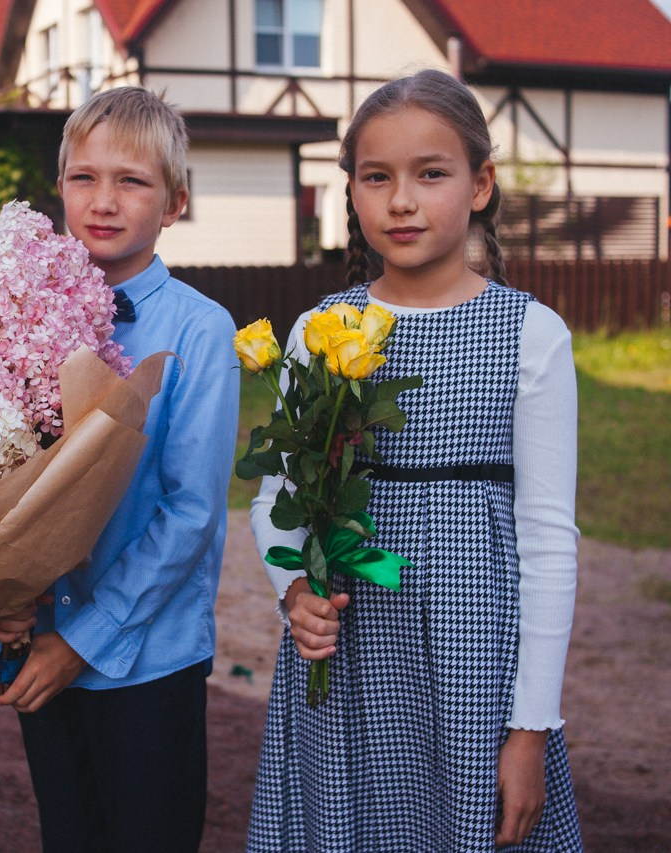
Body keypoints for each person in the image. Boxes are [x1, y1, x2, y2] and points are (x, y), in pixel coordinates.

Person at [248, 68, 582, 851]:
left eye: (430, 174)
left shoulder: (530, 334)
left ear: (480, 185)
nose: (401, 200)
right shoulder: (321, 329)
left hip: (473, 661)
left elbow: (547, 537)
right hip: (350, 654)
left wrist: (531, 727)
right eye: (377, 177)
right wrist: (292, 586)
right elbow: (276, 496)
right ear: (353, 194)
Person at [0, 87, 241, 851]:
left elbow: (190, 513)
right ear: (58, 185)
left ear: (176, 201)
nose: (103, 200)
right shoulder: (13, 312)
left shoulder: (201, 330)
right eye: (83, 177)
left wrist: (83, 640)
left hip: (146, 660)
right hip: (35, 647)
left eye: (132, 180)